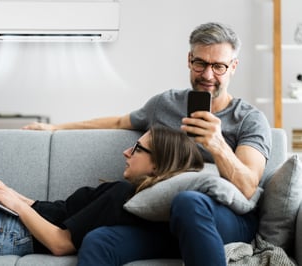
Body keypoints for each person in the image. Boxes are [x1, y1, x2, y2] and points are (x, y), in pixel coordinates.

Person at [23, 22, 272, 265]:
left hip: (224, 220)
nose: (208, 75)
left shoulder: (249, 119)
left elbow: (248, 186)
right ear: (189, 60)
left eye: (219, 66)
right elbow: (120, 121)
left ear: (233, 67)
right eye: (200, 63)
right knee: (99, 240)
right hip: (164, 222)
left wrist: (217, 144)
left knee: (188, 202)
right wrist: (55, 128)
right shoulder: (166, 104)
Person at [0, 125, 203, 256]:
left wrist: (15, 203)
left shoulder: (122, 195)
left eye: (137, 148)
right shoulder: (124, 192)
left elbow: (60, 243)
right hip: (2, 224)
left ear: (157, 165)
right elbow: (57, 211)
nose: (126, 151)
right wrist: (12, 195)